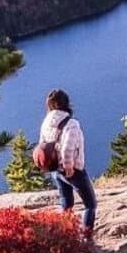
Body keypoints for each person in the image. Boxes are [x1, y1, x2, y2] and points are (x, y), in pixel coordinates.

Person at [39, 89, 97, 240]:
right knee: (90, 204)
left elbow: (42, 144)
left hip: (55, 170)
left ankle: (65, 237)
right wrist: (69, 167)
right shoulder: (71, 124)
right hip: (72, 170)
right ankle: (86, 239)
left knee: (66, 204)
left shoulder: (46, 122)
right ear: (66, 103)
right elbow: (68, 148)